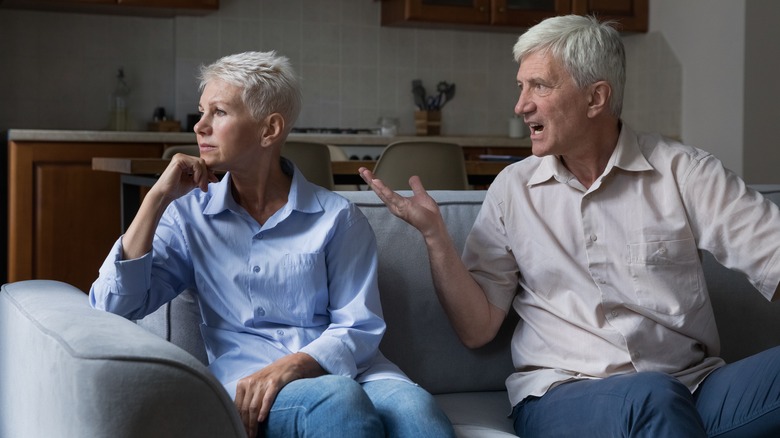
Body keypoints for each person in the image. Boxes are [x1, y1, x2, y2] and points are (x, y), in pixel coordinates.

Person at [359, 15, 780, 438]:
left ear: (596, 98)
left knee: (660, 397)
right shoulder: (513, 190)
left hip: (694, 385)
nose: (521, 105)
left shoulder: (684, 172)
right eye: (521, 87)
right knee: (653, 397)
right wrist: (435, 235)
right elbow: (477, 328)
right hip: (565, 394)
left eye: (539, 85)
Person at [90, 51, 454, 438]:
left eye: (219, 112)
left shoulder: (337, 218)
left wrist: (294, 364)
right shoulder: (188, 218)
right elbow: (112, 307)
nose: (200, 126)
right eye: (201, 112)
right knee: (337, 401)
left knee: (420, 414)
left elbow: (358, 326)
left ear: (269, 130)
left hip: (356, 373)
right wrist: (156, 199)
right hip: (255, 387)